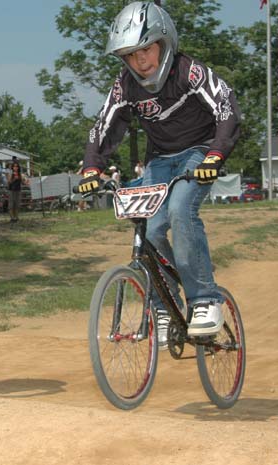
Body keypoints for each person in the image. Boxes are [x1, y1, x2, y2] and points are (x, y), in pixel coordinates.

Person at [76, 2, 241, 346]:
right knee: (149, 231)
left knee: (181, 210)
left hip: (199, 152)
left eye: (146, 49)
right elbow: (104, 125)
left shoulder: (189, 71)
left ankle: (205, 299)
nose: (140, 61)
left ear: (165, 42)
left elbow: (226, 107)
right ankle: (165, 308)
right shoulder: (125, 85)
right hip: (160, 160)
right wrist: (92, 166)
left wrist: (215, 154)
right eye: (130, 54)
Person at [7, 157, 28, 223]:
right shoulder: (10, 173)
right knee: (11, 205)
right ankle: (12, 218)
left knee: (17, 204)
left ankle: (16, 217)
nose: (15, 167)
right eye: (14, 166)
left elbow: (22, 182)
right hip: (11, 191)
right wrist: (14, 179)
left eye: (17, 166)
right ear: (12, 167)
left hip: (18, 190)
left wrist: (26, 182)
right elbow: (9, 182)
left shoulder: (20, 174)